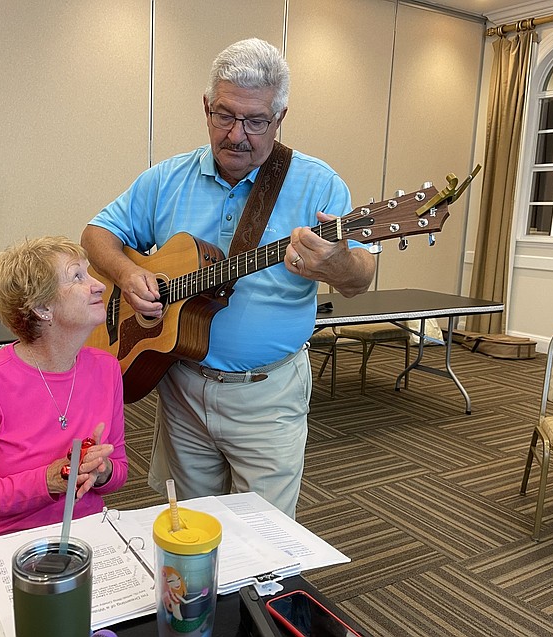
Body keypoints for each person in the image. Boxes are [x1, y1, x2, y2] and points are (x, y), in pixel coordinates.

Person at [81, 38, 375, 518]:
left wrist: (336, 263)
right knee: (190, 529)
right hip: (179, 383)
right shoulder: (166, 178)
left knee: (265, 540)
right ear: (206, 107)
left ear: (279, 118)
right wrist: (129, 272)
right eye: (224, 115)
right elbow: (97, 234)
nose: (237, 134)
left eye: (256, 121)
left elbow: (360, 277)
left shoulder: (319, 184)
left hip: (268, 394)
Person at [0, 235, 128, 592]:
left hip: (81, 542)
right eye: (77, 277)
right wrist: (47, 481)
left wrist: (101, 472)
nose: (98, 284)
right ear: (42, 308)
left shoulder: (107, 368)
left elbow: (120, 473)